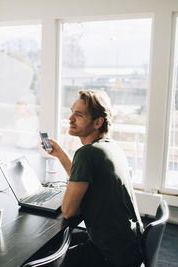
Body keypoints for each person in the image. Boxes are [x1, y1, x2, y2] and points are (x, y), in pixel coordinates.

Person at [45, 90, 143, 267]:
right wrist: (60, 154)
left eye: (79, 114)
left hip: (109, 255)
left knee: (46, 257)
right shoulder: (110, 147)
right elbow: (84, 176)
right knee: (60, 242)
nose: (71, 118)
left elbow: (68, 211)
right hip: (130, 246)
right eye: (72, 111)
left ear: (98, 122)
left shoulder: (86, 154)